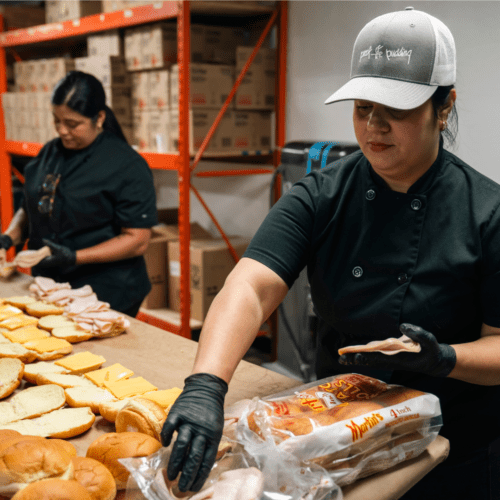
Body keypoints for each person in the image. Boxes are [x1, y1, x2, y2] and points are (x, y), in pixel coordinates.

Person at [161, 7, 500, 499]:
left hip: (450, 448)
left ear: (443, 106)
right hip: (338, 442)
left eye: (397, 110)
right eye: (363, 108)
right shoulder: (321, 194)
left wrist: (446, 357)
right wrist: (206, 385)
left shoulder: (487, 213)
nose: (374, 126)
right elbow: (251, 286)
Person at [0, 71, 157, 317]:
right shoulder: (50, 152)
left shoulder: (126, 165)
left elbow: (137, 240)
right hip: (52, 286)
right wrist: (8, 237)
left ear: (100, 118)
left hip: (106, 292)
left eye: (72, 124)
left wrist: (73, 257)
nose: (62, 130)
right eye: (57, 120)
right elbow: (35, 203)